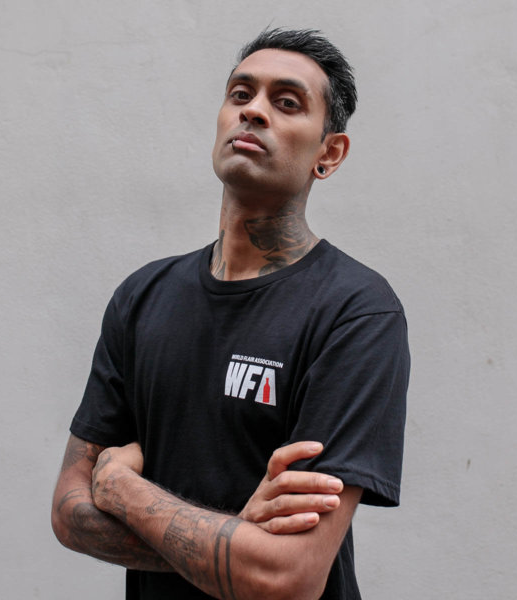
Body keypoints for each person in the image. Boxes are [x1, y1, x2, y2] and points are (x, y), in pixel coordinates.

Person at [52, 28, 410, 600]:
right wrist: (238, 543)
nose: (254, 111)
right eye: (240, 94)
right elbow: (70, 514)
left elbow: (289, 575)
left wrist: (123, 490)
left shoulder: (356, 312)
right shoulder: (142, 297)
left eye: (286, 102)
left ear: (329, 153)